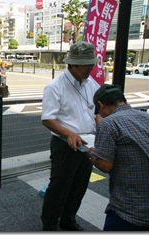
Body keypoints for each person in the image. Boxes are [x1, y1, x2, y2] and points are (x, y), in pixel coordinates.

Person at [40, 41, 101, 231]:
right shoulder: (55, 86)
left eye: (92, 63)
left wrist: (101, 123)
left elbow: (97, 111)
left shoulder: (92, 84)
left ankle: (68, 219)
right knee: (59, 187)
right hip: (64, 143)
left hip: (88, 143)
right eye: (86, 64)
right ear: (72, 64)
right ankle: (49, 223)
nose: (91, 68)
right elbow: (47, 119)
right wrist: (68, 133)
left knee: (80, 185)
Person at [87, 84, 149, 231]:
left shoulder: (109, 123)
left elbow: (105, 165)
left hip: (129, 209)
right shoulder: (146, 117)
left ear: (101, 105)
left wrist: (90, 152)